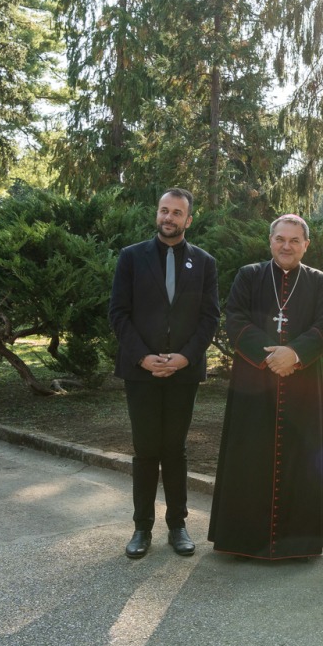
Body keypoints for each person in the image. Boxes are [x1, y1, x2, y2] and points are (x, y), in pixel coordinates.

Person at [208, 214, 323, 559]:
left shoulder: (319, 281)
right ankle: (243, 541)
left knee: (299, 461)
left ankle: (298, 544)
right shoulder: (249, 275)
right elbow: (235, 318)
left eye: (295, 241)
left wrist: (293, 353)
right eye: (280, 239)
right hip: (254, 382)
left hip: (301, 384)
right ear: (270, 241)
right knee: (249, 457)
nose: (286, 246)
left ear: (306, 245)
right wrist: (269, 357)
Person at [109, 187, 220, 559]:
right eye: (164, 210)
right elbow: (118, 313)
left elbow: (210, 318)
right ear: (157, 214)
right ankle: (142, 528)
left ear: (189, 219)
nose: (168, 218)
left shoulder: (204, 262)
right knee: (145, 450)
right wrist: (142, 357)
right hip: (141, 371)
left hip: (182, 372)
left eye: (176, 213)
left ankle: (178, 526)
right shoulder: (131, 257)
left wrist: (185, 358)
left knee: (174, 450)